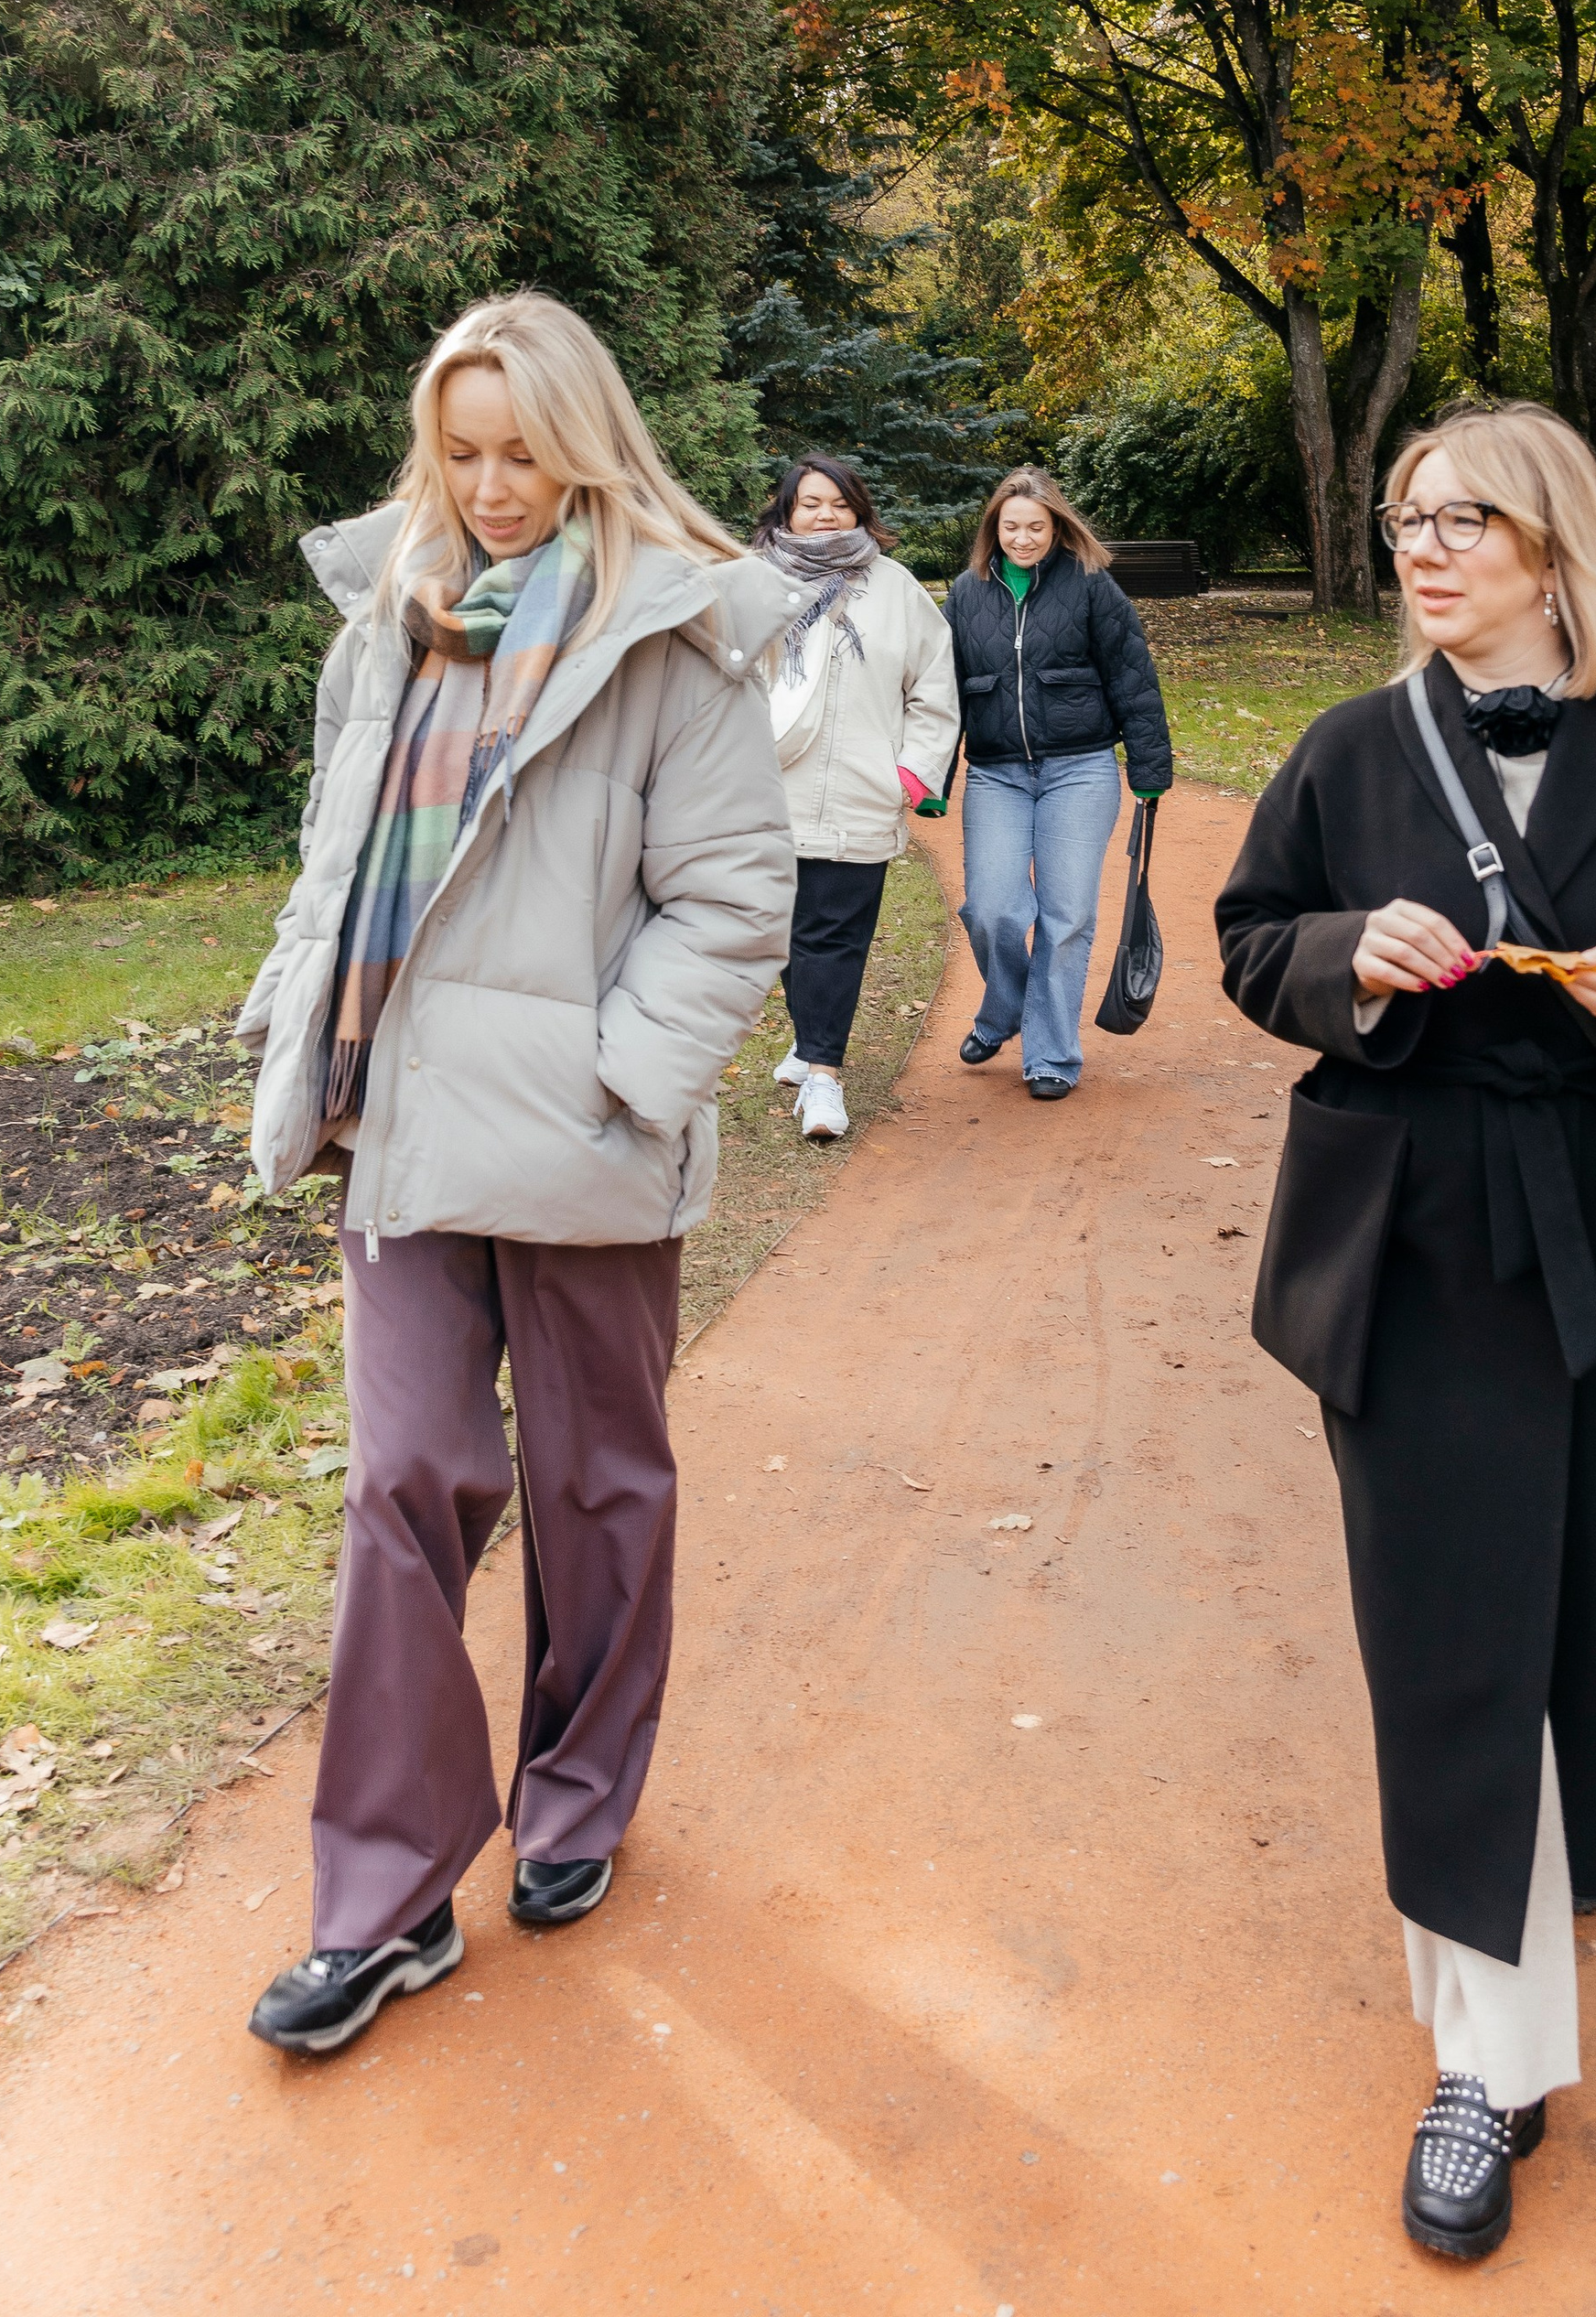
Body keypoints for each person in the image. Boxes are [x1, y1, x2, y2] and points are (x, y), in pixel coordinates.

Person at [1213, 400, 1596, 2263]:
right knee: (1449, 1628)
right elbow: (1254, 937)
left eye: (1464, 520)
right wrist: (1344, 963)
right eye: (1405, 517)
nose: (1423, 548)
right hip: (1408, 1243)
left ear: (1552, 546)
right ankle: (1486, 2059)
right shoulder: (1345, 748)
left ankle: (1589, 1824)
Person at [233, 292, 798, 2057]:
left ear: (586, 444)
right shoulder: (385, 624)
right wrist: (297, 1030)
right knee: (406, 1474)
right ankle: (386, 1897)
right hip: (392, 1117)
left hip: (580, 1135)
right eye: (462, 451)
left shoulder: (673, 644)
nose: (489, 487)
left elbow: (730, 899)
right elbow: (338, 863)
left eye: (522, 453)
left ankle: (577, 1797)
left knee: (595, 1481)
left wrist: (620, 1079)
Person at [945, 466, 1172, 1097]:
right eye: (1011, 527)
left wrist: (1150, 768)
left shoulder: (1092, 587)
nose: (1023, 539)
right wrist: (934, 776)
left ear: (1057, 527)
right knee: (990, 909)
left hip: (1081, 769)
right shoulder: (966, 594)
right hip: (996, 774)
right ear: (995, 528)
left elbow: (1132, 675)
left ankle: (1050, 1055)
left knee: (1066, 915)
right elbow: (942, 696)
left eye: (1036, 527)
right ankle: (1005, 1010)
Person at [755, 454, 959, 1142]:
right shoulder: (753, 586)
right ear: (786, 513)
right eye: (810, 503)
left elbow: (934, 687)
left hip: (859, 794)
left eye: (838, 503)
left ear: (859, 509)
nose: (825, 515)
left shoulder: (895, 589)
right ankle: (810, 1035)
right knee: (781, 932)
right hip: (766, 793)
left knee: (836, 937)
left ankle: (823, 1078)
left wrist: (910, 773)